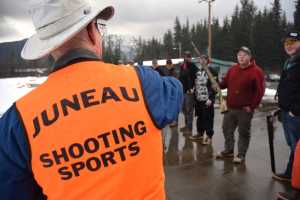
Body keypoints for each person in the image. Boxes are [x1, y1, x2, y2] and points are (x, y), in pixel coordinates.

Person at [0, 0, 183, 199]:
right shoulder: (143, 83)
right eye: (100, 27)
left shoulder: (17, 122)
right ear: (90, 30)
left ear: (48, 47)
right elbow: (175, 90)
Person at [216, 46, 265, 164]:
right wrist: (217, 84)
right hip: (230, 107)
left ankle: (241, 155)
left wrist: (252, 106)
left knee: (243, 133)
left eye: (244, 55)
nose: (241, 57)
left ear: (250, 57)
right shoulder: (233, 69)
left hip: (245, 110)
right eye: (239, 55)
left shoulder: (256, 71)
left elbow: (259, 91)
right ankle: (229, 150)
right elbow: (224, 84)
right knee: (226, 129)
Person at [273, 31, 300, 183]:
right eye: (286, 43)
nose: (288, 45)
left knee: (297, 147)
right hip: (287, 111)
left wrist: (295, 110)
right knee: (293, 146)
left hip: (295, 114)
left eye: (292, 42)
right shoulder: (290, 61)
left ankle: (296, 182)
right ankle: (291, 173)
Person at [189, 55, 218, 145]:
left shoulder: (212, 71)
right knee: (200, 117)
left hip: (207, 100)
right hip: (198, 99)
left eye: (204, 59)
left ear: (207, 61)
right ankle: (200, 133)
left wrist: (211, 98)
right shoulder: (198, 71)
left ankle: (209, 136)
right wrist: (193, 89)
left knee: (208, 118)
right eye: (200, 59)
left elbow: (216, 86)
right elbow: (196, 82)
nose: (202, 60)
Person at [179, 51, 198, 134]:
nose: (187, 58)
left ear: (190, 58)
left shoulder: (193, 67)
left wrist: (193, 88)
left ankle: (189, 129)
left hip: (189, 92)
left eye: (189, 57)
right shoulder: (182, 66)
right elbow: (180, 78)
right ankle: (186, 125)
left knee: (189, 110)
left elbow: (196, 78)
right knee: (183, 109)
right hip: (182, 91)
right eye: (186, 56)